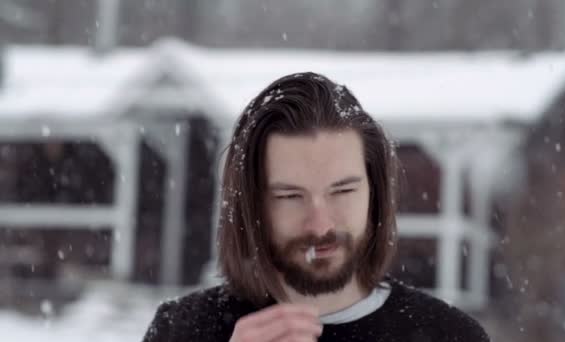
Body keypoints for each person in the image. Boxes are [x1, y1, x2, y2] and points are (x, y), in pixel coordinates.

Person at [142, 72, 490, 342]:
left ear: (375, 193)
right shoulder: (183, 330)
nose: (320, 225)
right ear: (252, 205)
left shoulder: (450, 335)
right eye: (291, 196)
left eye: (342, 191)